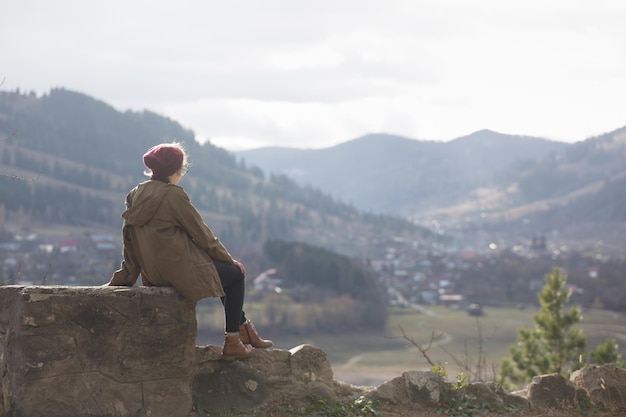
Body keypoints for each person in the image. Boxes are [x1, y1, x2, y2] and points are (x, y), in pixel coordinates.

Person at [106, 142, 272, 359]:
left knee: (226, 274)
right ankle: (233, 340)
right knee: (235, 276)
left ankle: (244, 330)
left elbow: (129, 238)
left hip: (153, 274)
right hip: (179, 271)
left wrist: (126, 275)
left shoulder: (135, 194)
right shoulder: (173, 195)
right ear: (176, 170)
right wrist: (229, 260)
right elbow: (202, 234)